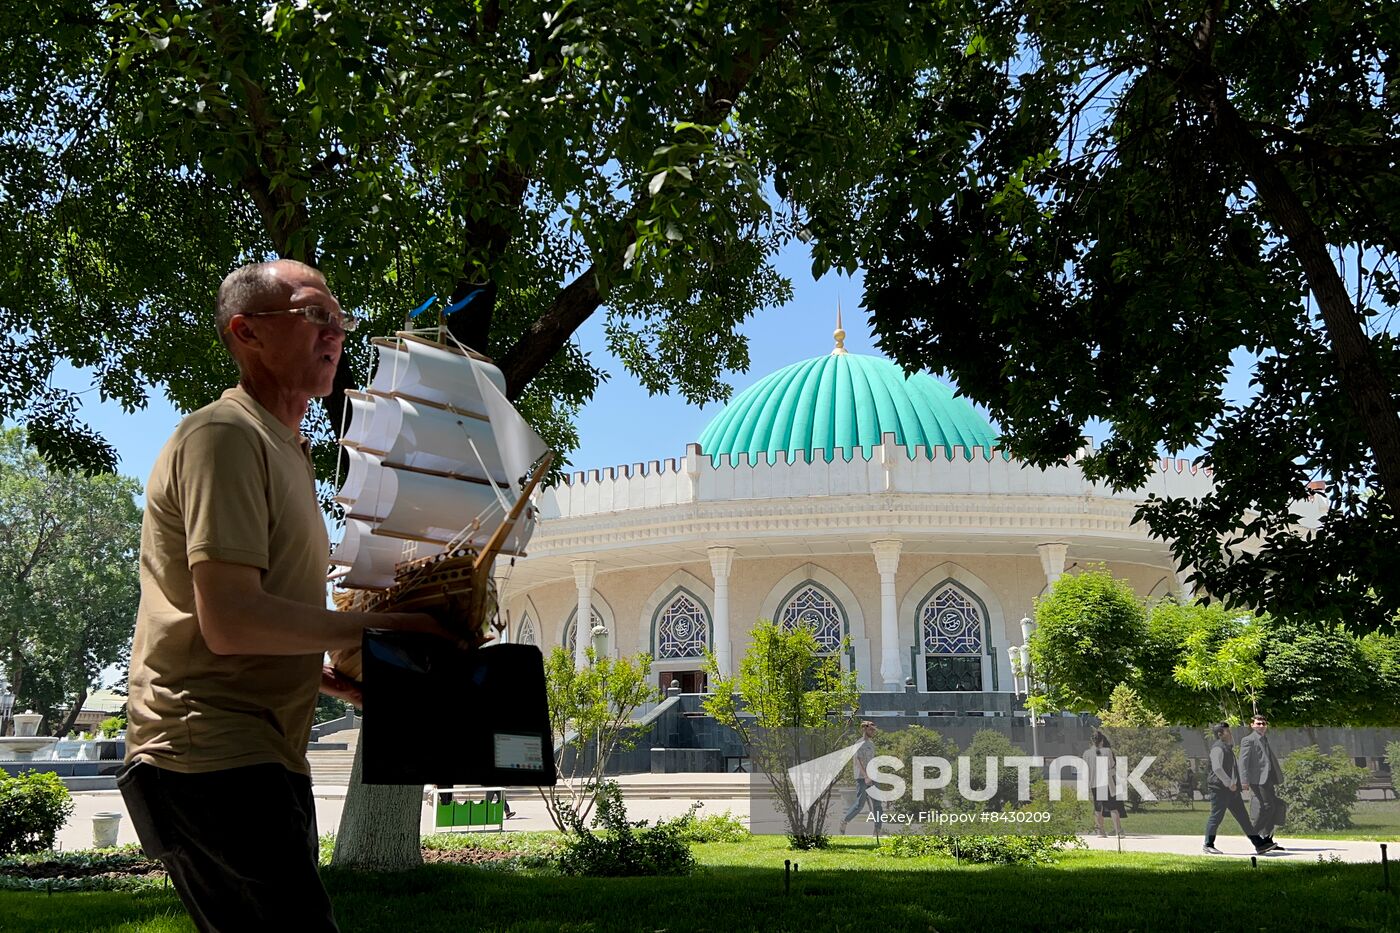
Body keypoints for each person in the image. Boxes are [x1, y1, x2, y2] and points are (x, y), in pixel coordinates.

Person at [119, 260, 448, 932]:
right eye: (314, 315)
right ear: (247, 332)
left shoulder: (288, 449)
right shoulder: (225, 437)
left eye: (340, 319)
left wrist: (323, 673)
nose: (335, 333)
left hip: (259, 753)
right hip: (207, 752)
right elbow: (231, 620)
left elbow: (249, 614)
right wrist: (381, 628)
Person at [1202, 722, 1277, 856]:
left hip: (1232, 791)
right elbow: (1217, 768)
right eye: (1227, 732)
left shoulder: (1227, 747)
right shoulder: (1217, 748)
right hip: (1219, 789)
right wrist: (1229, 782)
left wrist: (1235, 784)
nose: (1230, 733)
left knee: (1244, 819)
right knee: (1216, 816)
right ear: (1220, 734)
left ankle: (1259, 845)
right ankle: (1208, 844)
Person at [1240, 713, 1285, 850]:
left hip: (1268, 778)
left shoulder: (1264, 739)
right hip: (1257, 780)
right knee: (1267, 806)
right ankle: (1254, 834)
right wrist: (1244, 781)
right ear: (1252, 725)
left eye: (1263, 723)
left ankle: (1267, 839)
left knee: (1275, 806)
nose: (1261, 725)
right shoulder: (1248, 740)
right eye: (1258, 723)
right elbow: (1243, 762)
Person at [838, 720, 882, 835]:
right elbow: (858, 761)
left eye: (874, 730)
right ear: (864, 729)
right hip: (862, 778)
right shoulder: (859, 743)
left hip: (873, 776)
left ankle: (877, 829)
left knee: (878, 804)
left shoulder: (871, 744)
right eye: (871, 729)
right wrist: (866, 776)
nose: (873, 731)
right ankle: (845, 820)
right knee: (859, 805)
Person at [1086, 730, 1124, 837]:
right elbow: (1112, 765)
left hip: (1094, 782)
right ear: (1102, 740)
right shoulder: (1107, 751)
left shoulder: (1087, 753)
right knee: (1113, 806)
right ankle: (1118, 831)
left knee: (1098, 807)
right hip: (1106, 782)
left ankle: (1100, 831)